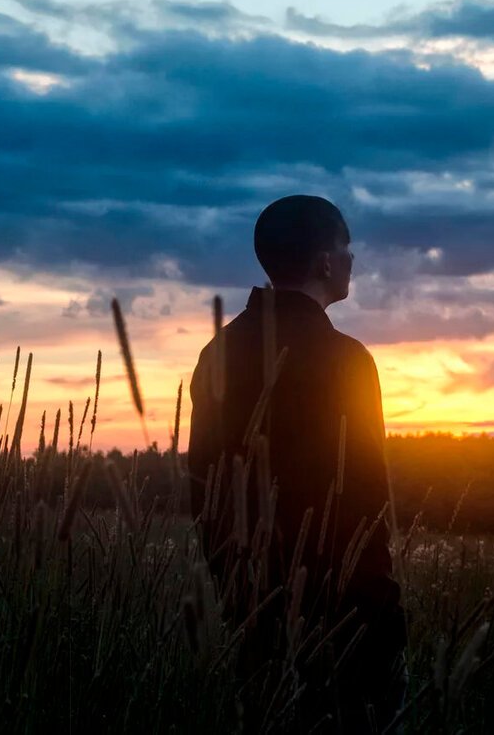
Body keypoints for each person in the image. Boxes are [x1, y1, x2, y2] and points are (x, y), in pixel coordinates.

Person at [188, 194, 406, 732]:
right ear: (325, 263)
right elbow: (366, 498)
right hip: (345, 620)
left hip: (250, 611)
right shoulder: (347, 361)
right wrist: (383, 615)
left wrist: (238, 590)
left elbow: (203, 490)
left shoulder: (216, 353)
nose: (353, 260)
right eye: (346, 248)